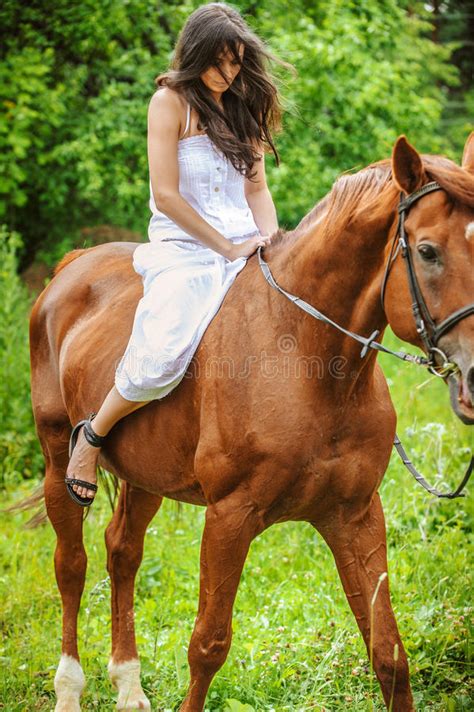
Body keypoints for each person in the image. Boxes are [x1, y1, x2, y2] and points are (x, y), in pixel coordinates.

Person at [65, 1, 289, 506]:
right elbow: (166, 194)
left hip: (245, 244)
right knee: (165, 348)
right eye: (218, 61)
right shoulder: (169, 103)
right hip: (185, 249)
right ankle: (94, 435)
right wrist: (227, 245)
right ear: (195, 53)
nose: (227, 73)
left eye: (235, 62)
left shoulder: (243, 103)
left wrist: (270, 238)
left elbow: (256, 191)